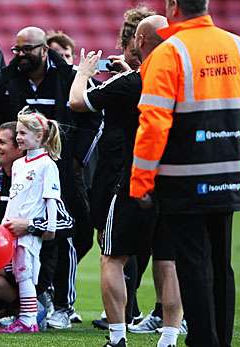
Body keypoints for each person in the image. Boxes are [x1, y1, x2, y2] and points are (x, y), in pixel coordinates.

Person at [131, 0, 240, 346]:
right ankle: (221, 340)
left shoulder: (169, 52)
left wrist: (141, 180)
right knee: (221, 263)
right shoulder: (239, 46)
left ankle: (203, 341)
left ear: (173, 6)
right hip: (229, 173)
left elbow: (153, 123)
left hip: (184, 178)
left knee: (192, 264)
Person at [70, 11, 185, 347]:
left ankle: (117, 336)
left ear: (138, 41)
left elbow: (78, 102)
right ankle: (168, 338)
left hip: (133, 181)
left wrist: (83, 73)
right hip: (173, 182)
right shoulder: (179, 81)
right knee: (168, 260)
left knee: (112, 256)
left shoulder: (130, 82)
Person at [0, 26, 96, 329]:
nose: (20, 56)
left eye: (27, 50)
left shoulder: (68, 77)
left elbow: (93, 119)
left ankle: (62, 304)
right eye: (17, 50)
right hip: (21, 174)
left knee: (71, 236)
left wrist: (79, 159)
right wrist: (9, 161)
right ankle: (36, 300)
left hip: (63, 175)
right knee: (22, 240)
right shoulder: (5, 80)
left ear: (44, 49)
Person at [0, 108, 69, 334]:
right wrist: (3, 226)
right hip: (10, 230)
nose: (19, 137)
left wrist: (50, 228)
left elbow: (51, 199)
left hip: (28, 231)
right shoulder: (19, 164)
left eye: (24, 133)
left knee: (24, 271)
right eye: (18, 132)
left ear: (39, 137)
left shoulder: (47, 165)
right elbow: (15, 198)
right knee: (16, 272)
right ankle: (19, 315)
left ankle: (29, 319)